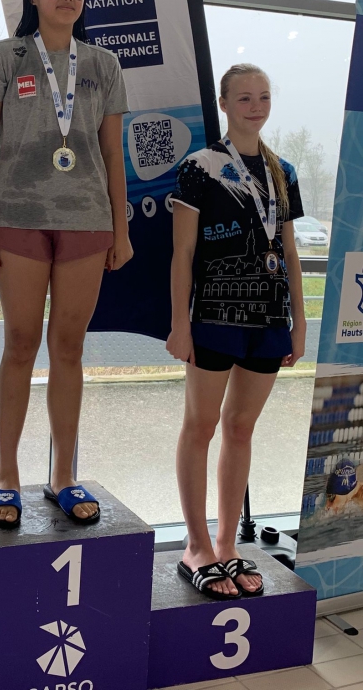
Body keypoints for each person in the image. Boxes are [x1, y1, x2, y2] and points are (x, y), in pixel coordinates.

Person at [0, 0, 133, 529]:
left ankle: (63, 474)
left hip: (87, 221)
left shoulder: (104, 64)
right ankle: (6, 474)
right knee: (19, 345)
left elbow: (113, 154)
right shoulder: (4, 57)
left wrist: (121, 228)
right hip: (17, 217)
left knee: (69, 349)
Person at [167, 63, 305, 599]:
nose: (256, 106)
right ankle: (196, 545)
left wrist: (298, 323)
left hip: (268, 320)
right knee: (200, 427)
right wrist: (180, 324)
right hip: (213, 318)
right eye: (244, 98)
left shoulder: (282, 172)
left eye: (264, 97)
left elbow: (289, 253)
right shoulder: (200, 167)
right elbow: (182, 253)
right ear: (224, 104)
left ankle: (227, 544)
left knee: (241, 429)